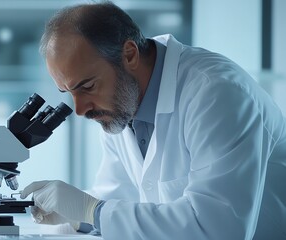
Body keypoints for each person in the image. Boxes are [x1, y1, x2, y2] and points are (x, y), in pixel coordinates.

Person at [20, 1, 286, 239]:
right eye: (68, 92)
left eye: (87, 86)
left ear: (129, 55)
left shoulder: (216, 93)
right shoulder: (121, 105)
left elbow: (218, 228)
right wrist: (78, 218)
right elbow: (120, 199)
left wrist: (93, 211)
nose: (79, 109)